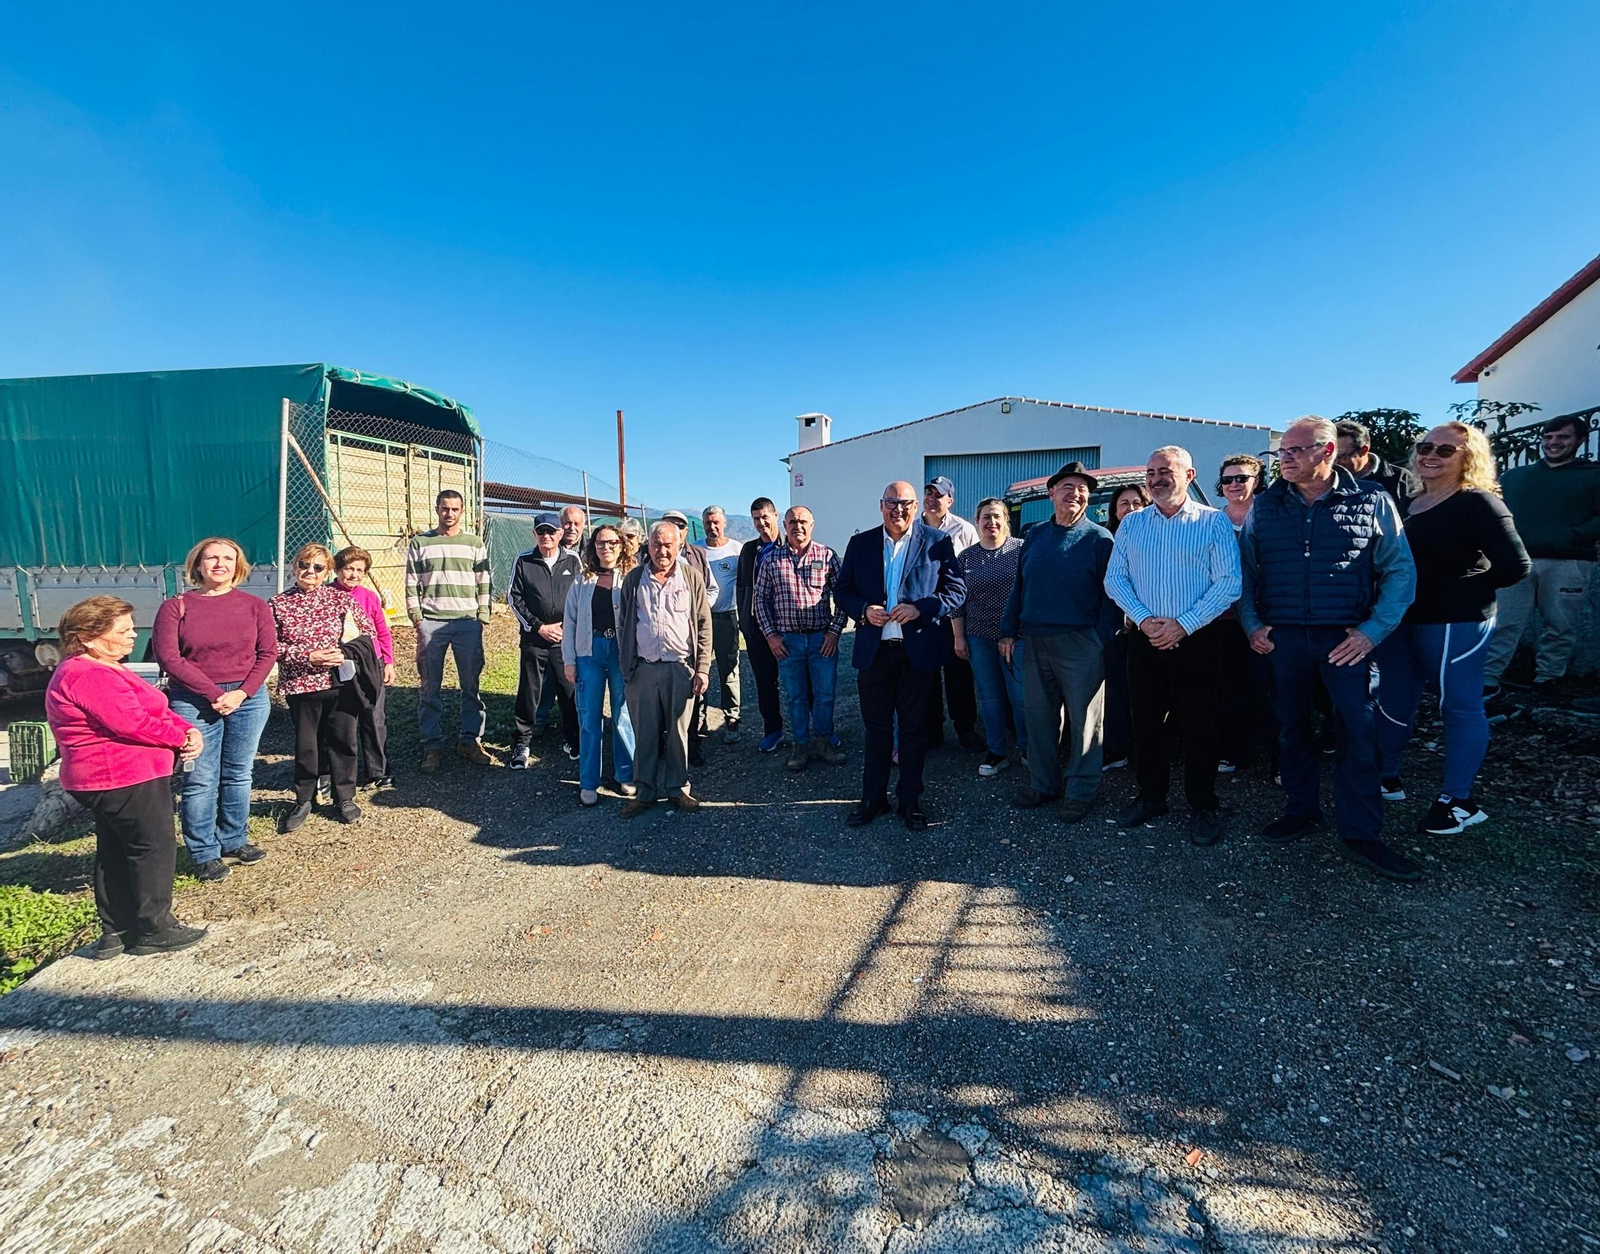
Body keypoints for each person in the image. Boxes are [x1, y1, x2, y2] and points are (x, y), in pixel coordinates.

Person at [1238, 416, 1419, 881]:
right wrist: (1254, 624)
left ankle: (1362, 833)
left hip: (1348, 641)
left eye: (1296, 451)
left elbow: (1400, 571)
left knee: (1358, 733)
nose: (1286, 459)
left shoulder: (1371, 501)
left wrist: (1372, 632)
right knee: (1290, 728)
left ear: (1327, 451)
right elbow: (1247, 573)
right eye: (1282, 452)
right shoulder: (1266, 506)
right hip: (1286, 639)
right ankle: (1302, 810)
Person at [1375, 423, 1530, 834]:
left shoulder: (1478, 502)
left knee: (1458, 706)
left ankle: (1459, 800)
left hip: (1455, 623)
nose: (1431, 455)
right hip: (1402, 619)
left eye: (1445, 450)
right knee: (1393, 700)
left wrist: (1459, 591)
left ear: (1468, 457)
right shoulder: (1410, 502)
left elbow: (1517, 565)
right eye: (1425, 447)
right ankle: (1386, 778)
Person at [47, 596, 208, 958]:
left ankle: (115, 931)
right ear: (88, 637)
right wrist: (181, 738)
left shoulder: (101, 666)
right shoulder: (88, 674)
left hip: (112, 778)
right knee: (151, 847)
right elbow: (131, 722)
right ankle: (154, 927)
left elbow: (148, 709)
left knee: (116, 850)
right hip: (121, 775)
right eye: (123, 630)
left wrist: (185, 729)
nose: (134, 635)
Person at [1104, 447, 1242, 846]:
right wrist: (1145, 620)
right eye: (1151, 472)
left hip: (1197, 640)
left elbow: (1229, 582)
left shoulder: (1213, 522)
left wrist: (1183, 625)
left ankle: (1203, 803)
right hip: (1145, 640)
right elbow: (1116, 580)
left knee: (1200, 725)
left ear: (1189, 474)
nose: (1156, 478)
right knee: (1145, 723)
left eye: (1165, 471)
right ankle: (1151, 797)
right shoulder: (1132, 526)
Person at [836, 481, 966, 831]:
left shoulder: (936, 542)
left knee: (913, 730)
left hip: (917, 653)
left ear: (916, 506)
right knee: (876, 730)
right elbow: (842, 591)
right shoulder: (861, 544)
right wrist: (863, 610)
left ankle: (910, 799)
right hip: (874, 653)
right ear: (881, 505)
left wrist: (920, 609)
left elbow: (955, 590)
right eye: (891, 502)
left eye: (906, 503)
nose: (898, 509)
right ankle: (873, 798)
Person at [999, 462, 1120, 824]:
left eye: (1082, 488)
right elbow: (1019, 586)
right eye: (1067, 486)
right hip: (1035, 640)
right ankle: (1043, 784)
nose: (1075, 493)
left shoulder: (1100, 540)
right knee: (1039, 717)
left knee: (1085, 722)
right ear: (1052, 493)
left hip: (1080, 641)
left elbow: (1111, 597)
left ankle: (1080, 791)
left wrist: (1099, 638)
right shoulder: (1035, 536)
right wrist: (1009, 630)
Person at [151, 537, 275, 883]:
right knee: (200, 778)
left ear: (238, 565)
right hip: (193, 700)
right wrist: (212, 693)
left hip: (247, 700)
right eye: (211, 558)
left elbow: (267, 654)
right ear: (198, 564)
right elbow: (169, 658)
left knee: (239, 772)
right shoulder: (176, 607)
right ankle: (203, 852)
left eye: (227, 558)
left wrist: (241, 694)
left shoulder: (254, 606)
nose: (219, 564)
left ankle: (234, 839)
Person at [1483, 414, 1600, 702]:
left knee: (1560, 625)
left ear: (1580, 440)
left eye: (1562, 437)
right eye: (1548, 437)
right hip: (1516, 562)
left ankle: (1547, 681)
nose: (1554, 442)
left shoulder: (1594, 476)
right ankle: (1487, 680)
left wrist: (1577, 534)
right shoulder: (1515, 477)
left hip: (1570, 562)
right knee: (1503, 623)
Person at [271, 542, 378, 832]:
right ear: (294, 568)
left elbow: (366, 634)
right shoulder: (278, 604)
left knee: (344, 740)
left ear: (326, 571)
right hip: (300, 684)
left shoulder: (340, 600)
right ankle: (304, 797)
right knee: (306, 744)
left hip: (338, 683)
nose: (310, 571)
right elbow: (269, 647)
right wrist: (306, 656)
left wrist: (344, 652)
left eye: (318, 567)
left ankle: (344, 796)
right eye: (304, 565)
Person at [618, 521, 713, 816]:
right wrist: (628, 667)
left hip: (680, 668)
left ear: (678, 546)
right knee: (644, 734)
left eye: (668, 545)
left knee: (679, 733)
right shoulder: (635, 579)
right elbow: (624, 624)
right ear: (648, 546)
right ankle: (644, 792)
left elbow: (703, 624)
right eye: (657, 544)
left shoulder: (691, 577)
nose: (662, 551)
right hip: (643, 670)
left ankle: (678, 790)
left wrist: (702, 669)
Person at [754, 506, 847, 771]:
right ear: (784, 525)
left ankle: (824, 741)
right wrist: (771, 637)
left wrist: (835, 631)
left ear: (813, 524)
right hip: (788, 642)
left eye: (803, 521)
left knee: (825, 694)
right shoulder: (772, 560)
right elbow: (759, 600)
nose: (798, 526)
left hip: (822, 640)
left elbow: (842, 597)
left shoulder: (827, 556)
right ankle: (801, 745)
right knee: (795, 696)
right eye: (792, 521)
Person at [406, 490, 492, 773]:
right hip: (431, 623)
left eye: (455, 509)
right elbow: (411, 583)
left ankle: (469, 740)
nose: (449, 514)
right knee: (430, 687)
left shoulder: (474, 543)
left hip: (467, 622)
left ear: (462, 511)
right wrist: (417, 618)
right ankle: (432, 745)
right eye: (445, 508)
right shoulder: (420, 542)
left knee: (471, 685)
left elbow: (484, 582)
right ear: (437, 509)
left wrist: (482, 616)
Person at [562, 523, 638, 806]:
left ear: (621, 545)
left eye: (612, 543)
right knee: (589, 718)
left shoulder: (631, 577)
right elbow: (569, 622)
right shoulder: (583, 580)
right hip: (589, 651)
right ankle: (589, 781)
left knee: (622, 715)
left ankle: (625, 775)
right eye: (600, 543)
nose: (606, 548)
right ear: (593, 547)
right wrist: (569, 660)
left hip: (621, 653)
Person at [1214, 455, 1278, 777]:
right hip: (1223, 620)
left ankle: (1280, 758)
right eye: (1228, 479)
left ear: (1257, 481)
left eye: (1242, 478)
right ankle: (1236, 751)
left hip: (1265, 618)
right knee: (1229, 688)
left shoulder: (1271, 516)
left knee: (1267, 690)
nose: (1235, 484)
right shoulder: (1211, 521)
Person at [951, 498, 1025, 778]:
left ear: (1006, 520)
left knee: (1019, 696)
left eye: (996, 516)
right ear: (977, 521)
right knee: (990, 697)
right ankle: (997, 752)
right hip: (978, 636)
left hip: (1016, 637)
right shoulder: (966, 557)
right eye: (985, 517)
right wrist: (959, 638)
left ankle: (1029, 749)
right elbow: (957, 602)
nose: (991, 522)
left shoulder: (1020, 550)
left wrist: (1013, 632)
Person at [508, 514, 581, 768]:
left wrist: (566, 628)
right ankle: (522, 743)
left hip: (564, 640)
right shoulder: (524, 560)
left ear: (561, 534)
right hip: (534, 640)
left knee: (568, 690)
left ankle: (572, 738)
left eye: (551, 532)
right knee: (529, 691)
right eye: (541, 532)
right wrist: (538, 627)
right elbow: (514, 598)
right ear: (534, 534)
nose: (546, 536)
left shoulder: (573, 560)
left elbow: (579, 598)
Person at [920, 476, 983, 752]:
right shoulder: (913, 528)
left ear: (950, 500)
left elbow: (973, 572)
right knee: (926, 675)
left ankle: (965, 729)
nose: (932, 498)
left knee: (959, 675)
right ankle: (932, 730)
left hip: (955, 614)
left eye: (939, 494)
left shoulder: (964, 530)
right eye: (929, 493)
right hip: (922, 614)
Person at [659, 509, 720, 765]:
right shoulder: (648, 554)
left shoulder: (697, 555)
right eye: (670, 525)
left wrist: (699, 608)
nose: (677, 529)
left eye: (681, 526)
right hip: (661, 643)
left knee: (693, 695)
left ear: (684, 532)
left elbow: (712, 587)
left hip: (690, 639)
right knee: (662, 699)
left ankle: (692, 745)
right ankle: (664, 745)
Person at [331, 546, 394, 789]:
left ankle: (378, 771)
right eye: (349, 569)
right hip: (341, 661)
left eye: (360, 570)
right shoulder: (327, 594)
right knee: (343, 718)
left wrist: (388, 661)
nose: (354, 574)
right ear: (337, 569)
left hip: (371, 662)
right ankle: (341, 772)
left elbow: (382, 631)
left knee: (374, 716)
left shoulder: (368, 596)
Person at [1101, 484, 1152, 772]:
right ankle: (1115, 748)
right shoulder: (1106, 540)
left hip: (1153, 627)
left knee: (1148, 693)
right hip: (1116, 631)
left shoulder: (1156, 538)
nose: (1130, 508)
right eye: (1124, 503)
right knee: (1116, 690)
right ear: (1115, 510)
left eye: (1136, 502)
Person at [737, 497, 787, 754]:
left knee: (803, 681)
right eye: (756, 519)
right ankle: (773, 730)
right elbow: (742, 588)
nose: (761, 523)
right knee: (765, 682)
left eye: (765, 517)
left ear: (775, 515)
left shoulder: (791, 545)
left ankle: (817, 730)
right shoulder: (749, 550)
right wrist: (745, 621)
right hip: (757, 629)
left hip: (789, 627)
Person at [698, 506, 746, 743]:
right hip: (699, 621)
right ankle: (699, 718)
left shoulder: (736, 550)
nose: (712, 526)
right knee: (700, 669)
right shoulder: (695, 550)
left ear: (725, 523)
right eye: (708, 522)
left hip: (727, 617)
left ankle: (732, 718)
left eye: (716, 522)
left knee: (728, 670)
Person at [1335, 420, 1407, 501]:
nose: (1335, 462)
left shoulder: (1401, 479)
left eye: (1340, 456)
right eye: (1331, 457)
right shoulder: (1328, 480)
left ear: (1363, 450)